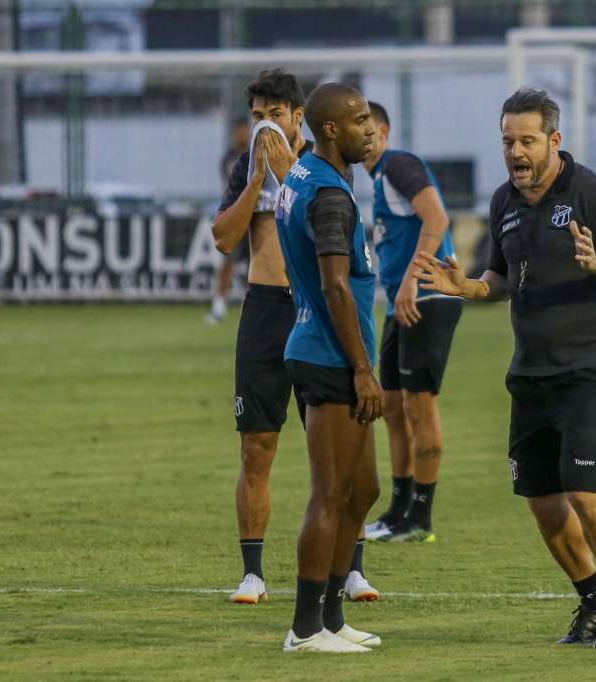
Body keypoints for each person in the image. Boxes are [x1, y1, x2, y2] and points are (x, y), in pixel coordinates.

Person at [414, 88, 596, 650]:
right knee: (542, 501)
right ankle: (590, 600)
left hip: (589, 367)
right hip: (531, 373)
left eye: (526, 140)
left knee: (586, 492)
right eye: (507, 141)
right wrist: (466, 287)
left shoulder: (593, 193)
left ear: (553, 141)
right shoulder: (504, 203)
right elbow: (500, 278)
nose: (515, 151)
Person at [211, 70, 379, 607]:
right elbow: (224, 238)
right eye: (256, 115)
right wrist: (257, 179)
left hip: (315, 313)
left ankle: (350, 570)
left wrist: (282, 174)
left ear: (299, 117)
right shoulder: (248, 167)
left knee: (337, 450)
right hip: (264, 310)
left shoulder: (324, 165)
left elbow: (319, 230)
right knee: (257, 444)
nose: (264, 124)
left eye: (274, 115)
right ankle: (253, 573)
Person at [275, 82, 383, 653]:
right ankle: (304, 628)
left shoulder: (305, 174)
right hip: (330, 355)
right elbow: (336, 284)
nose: (371, 128)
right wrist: (364, 369)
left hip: (328, 347)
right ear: (332, 130)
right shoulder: (331, 196)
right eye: (361, 119)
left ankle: (334, 618)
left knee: (363, 490)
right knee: (330, 492)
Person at [361, 102, 462, 543]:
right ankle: (398, 510)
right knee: (393, 407)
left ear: (383, 130)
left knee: (420, 408)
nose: (360, 134)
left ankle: (421, 515)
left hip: (427, 297)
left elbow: (437, 218)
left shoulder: (398, 163)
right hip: (401, 301)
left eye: (367, 126)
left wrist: (409, 282)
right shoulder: (379, 177)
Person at [206, 118, 251, 324]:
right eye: (238, 132)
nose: (241, 135)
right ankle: (219, 306)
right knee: (227, 262)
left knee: (259, 263)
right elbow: (230, 189)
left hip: (256, 219)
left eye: (244, 131)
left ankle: (252, 305)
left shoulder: (258, 154)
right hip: (235, 218)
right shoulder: (228, 160)